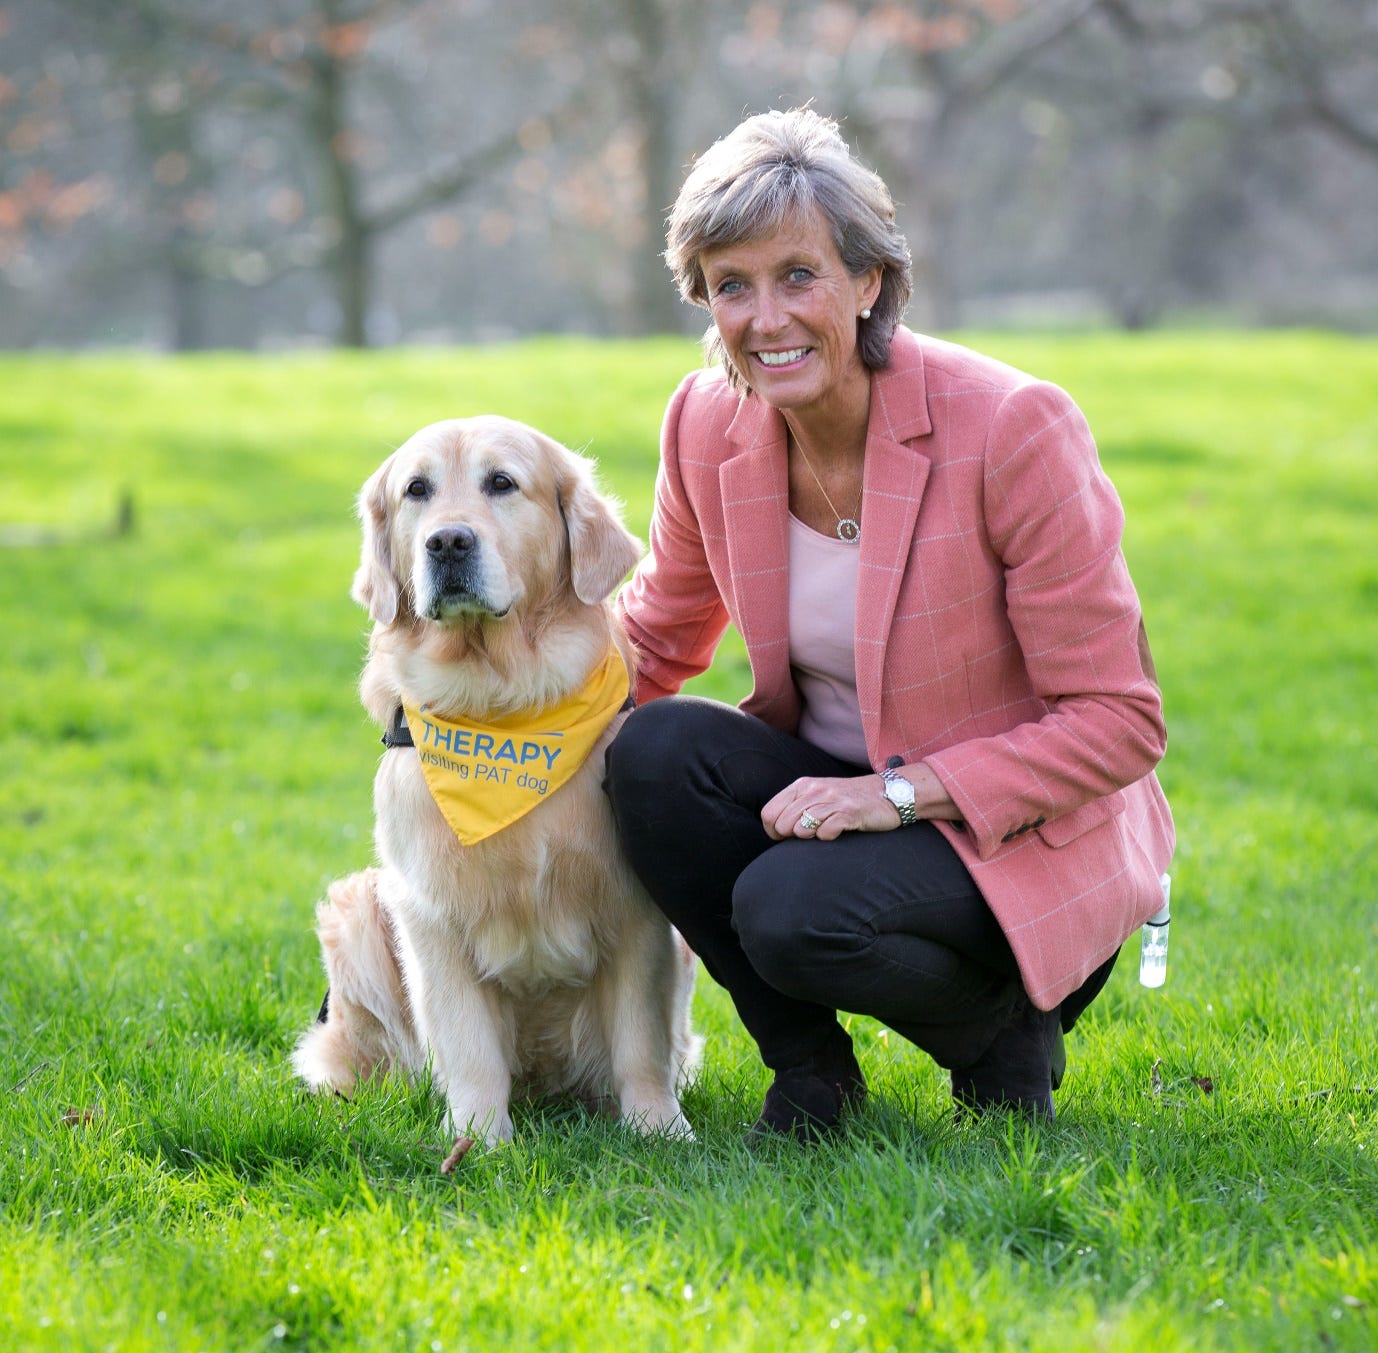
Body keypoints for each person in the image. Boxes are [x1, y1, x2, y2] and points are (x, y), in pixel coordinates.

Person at [603, 108, 1174, 1141]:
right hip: (829, 801)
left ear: (868, 281)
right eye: (732, 286)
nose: (765, 318)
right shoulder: (703, 421)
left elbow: (1118, 722)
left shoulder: (1010, 425)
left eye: (797, 276)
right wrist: (470, 772)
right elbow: (651, 643)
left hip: (1012, 826)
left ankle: (1005, 1035)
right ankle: (813, 1078)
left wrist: (896, 795)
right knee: (652, 750)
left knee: (788, 906)